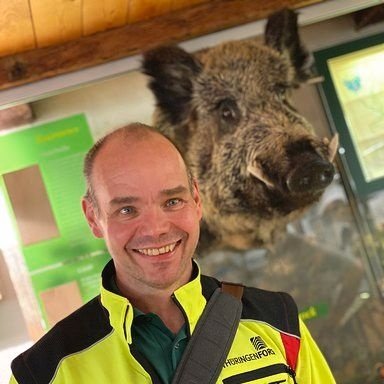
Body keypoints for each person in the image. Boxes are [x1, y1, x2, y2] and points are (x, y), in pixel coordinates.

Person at [10, 123, 336, 383]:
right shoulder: (42, 372)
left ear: (196, 200)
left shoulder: (277, 320)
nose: (155, 229)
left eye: (172, 201)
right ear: (93, 217)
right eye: (126, 209)